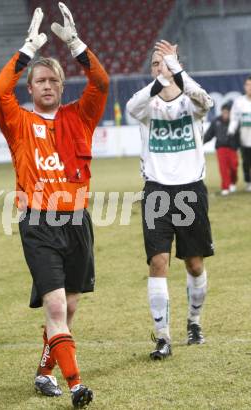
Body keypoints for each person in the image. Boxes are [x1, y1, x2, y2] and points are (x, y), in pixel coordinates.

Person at [0, 3, 109, 408]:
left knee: (70, 306)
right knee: (56, 304)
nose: (46, 85)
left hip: (77, 221)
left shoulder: (81, 116)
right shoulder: (18, 122)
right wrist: (25, 51)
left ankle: (44, 373)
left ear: (62, 85)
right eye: (39, 80)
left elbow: (101, 81)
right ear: (31, 87)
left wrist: (75, 45)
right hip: (38, 222)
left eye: (52, 80)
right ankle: (76, 385)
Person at [126, 40, 214, 360]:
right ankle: (163, 336)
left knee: (194, 263)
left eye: (165, 62)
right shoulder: (146, 105)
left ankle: (194, 321)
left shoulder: (192, 104)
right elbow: (132, 107)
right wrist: (161, 79)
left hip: (190, 190)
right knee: (158, 262)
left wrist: (177, 69)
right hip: (157, 191)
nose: (159, 67)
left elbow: (207, 102)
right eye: (154, 63)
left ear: (177, 66)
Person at [204, 101, 240, 195]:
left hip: (232, 148)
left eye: (227, 112)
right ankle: (225, 187)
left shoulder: (235, 122)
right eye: (224, 112)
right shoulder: (216, 121)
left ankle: (233, 182)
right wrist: (201, 142)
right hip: (221, 148)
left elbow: (240, 136)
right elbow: (209, 135)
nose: (225, 114)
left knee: (234, 167)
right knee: (223, 168)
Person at [228, 75, 251, 192]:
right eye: (248, 85)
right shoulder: (239, 102)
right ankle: (248, 182)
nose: (250, 87)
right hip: (244, 139)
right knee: (246, 162)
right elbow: (234, 119)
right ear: (244, 86)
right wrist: (231, 131)